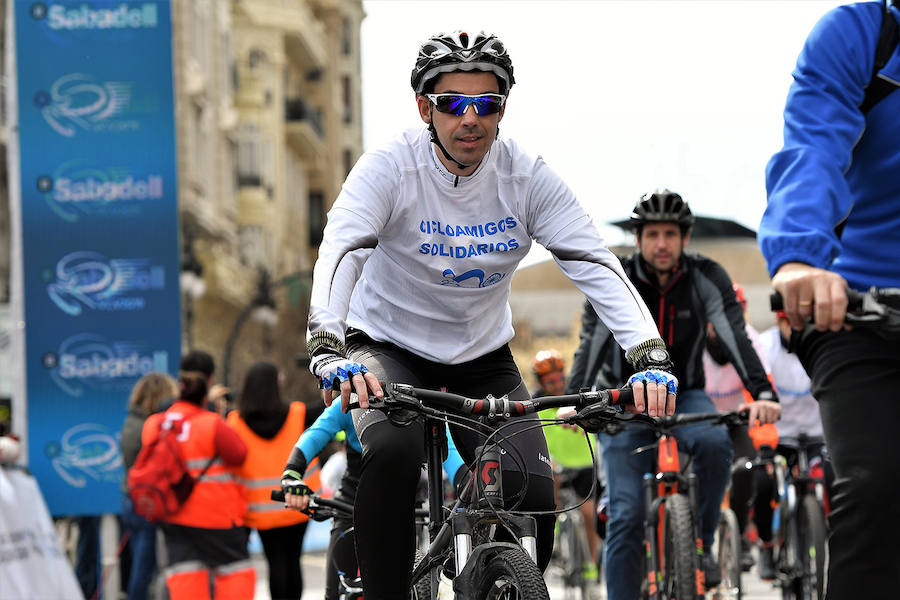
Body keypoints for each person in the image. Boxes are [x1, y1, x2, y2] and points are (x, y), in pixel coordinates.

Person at [283, 30, 679, 599]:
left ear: (502, 108)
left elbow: (593, 260)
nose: (470, 118)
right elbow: (342, 250)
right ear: (426, 108)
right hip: (388, 346)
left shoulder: (526, 176)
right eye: (453, 104)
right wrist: (328, 346)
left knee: (536, 497)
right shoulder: (390, 168)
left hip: (481, 355)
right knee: (392, 456)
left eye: (486, 104)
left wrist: (649, 355)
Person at [569, 189, 781, 599]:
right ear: (638, 238)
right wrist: (580, 399)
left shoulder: (706, 276)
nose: (661, 244)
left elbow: (735, 335)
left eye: (670, 233)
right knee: (626, 516)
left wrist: (763, 392)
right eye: (652, 235)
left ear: (685, 237)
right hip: (624, 403)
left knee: (717, 444)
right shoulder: (615, 275)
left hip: (686, 395)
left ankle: (698, 543)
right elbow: (592, 340)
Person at [759, 1, 900, 594]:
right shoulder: (865, 34)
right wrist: (798, 258)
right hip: (859, 306)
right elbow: (814, 150)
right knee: (878, 486)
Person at [284, 400, 467, 600]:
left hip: (403, 507)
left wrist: (469, 486)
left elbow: (450, 451)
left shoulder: (418, 402)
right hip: (350, 506)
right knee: (335, 592)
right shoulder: (352, 399)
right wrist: (292, 473)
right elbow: (316, 433)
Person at [143, 351, 253, 600]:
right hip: (216, 519)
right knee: (234, 575)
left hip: (172, 517)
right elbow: (239, 455)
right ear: (209, 383)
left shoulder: (154, 424)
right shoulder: (213, 424)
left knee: (186, 579)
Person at [227, 361, 320, 600]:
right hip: (296, 503)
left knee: (275, 562)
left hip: (261, 510)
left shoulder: (234, 422)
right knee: (293, 559)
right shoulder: (298, 414)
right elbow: (326, 407)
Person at [702, 283, 774, 574]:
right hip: (700, 419)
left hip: (735, 420)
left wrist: (765, 441)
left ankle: (741, 534)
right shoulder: (695, 341)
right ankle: (699, 544)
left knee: (748, 469)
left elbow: (762, 388)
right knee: (693, 477)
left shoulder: (750, 340)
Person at [532, 350, 603, 593]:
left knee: (588, 514)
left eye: (560, 377)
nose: (557, 384)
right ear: (542, 383)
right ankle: (555, 533)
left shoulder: (578, 399)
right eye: (550, 381)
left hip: (584, 466)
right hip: (556, 467)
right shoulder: (539, 407)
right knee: (549, 490)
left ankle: (591, 565)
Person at [120, 371, 178, 600]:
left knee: (139, 562)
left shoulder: (131, 422)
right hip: (147, 501)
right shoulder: (151, 426)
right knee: (145, 567)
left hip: (130, 498)